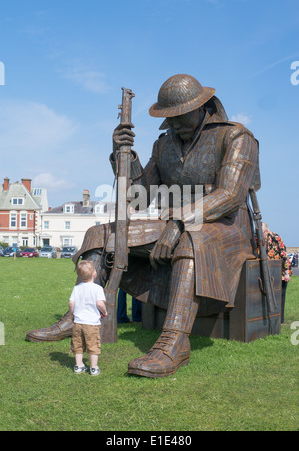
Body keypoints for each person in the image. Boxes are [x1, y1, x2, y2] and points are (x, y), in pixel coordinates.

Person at [26, 74, 260, 378]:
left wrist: (179, 219)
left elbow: (230, 195)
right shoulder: (164, 146)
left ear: (201, 106)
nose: (174, 125)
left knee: (192, 240)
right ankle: (79, 317)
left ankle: (174, 341)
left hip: (227, 229)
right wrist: (122, 155)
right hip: (175, 224)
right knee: (100, 234)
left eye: (179, 117)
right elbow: (138, 198)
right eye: (169, 118)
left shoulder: (237, 137)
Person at [69, 260, 107, 375]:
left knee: (78, 344)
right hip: (92, 324)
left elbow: (71, 303)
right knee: (93, 345)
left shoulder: (77, 288)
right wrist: (105, 312)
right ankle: (94, 367)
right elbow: (100, 304)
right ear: (94, 274)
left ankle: (78, 366)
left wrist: (72, 315)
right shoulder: (97, 289)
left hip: (78, 322)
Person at [262, 223, 291, 323]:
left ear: (266, 231)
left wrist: (286, 273)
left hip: (280, 272)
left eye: (262, 233)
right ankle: (270, 316)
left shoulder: (276, 238)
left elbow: (284, 255)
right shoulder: (260, 239)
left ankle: (280, 320)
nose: (261, 236)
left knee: (280, 296)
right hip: (268, 273)